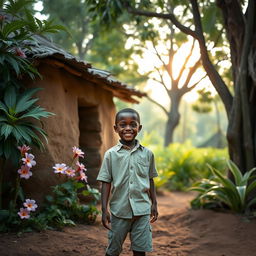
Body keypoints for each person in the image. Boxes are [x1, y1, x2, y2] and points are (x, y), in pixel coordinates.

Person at [97, 108, 158, 256]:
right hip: (119, 211)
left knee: (140, 250)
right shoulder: (110, 155)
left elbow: (150, 179)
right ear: (116, 128)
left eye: (133, 124)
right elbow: (106, 182)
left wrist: (154, 203)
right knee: (113, 250)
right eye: (123, 125)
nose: (128, 128)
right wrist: (104, 209)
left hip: (142, 210)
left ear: (139, 128)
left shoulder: (148, 154)